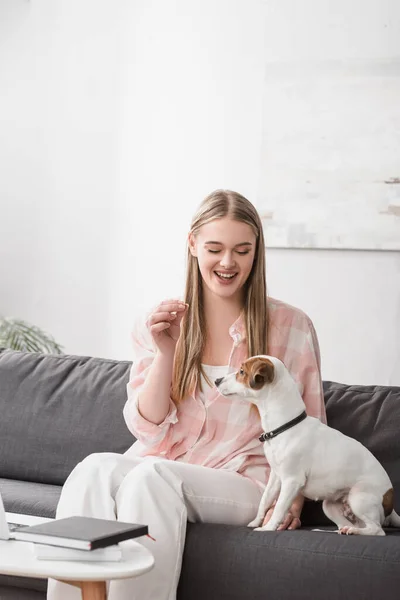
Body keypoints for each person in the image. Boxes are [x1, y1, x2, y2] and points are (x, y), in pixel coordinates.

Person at [47, 189, 326, 600]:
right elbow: (150, 429)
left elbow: (311, 426)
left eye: (242, 250)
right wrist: (166, 352)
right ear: (193, 244)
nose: (228, 262)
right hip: (167, 461)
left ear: (256, 253)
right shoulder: (162, 320)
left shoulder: (290, 326)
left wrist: (294, 498)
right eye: (215, 248)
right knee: (94, 468)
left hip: (245, 479)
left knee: (151, 476)